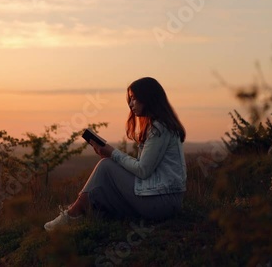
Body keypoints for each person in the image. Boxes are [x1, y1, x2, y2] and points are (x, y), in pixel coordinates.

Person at [44, 77, 187, 231]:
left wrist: (112, 153)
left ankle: (72, 215)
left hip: (163, 202)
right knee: (107, 175)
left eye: (133, 99)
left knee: (106, 166)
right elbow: (144, 169)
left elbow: (142, 171)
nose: (131, 104)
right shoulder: (161, 127)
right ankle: (78, 212)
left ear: (147, 97)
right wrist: (112, 156)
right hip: (166, 199)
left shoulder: (159, 129)